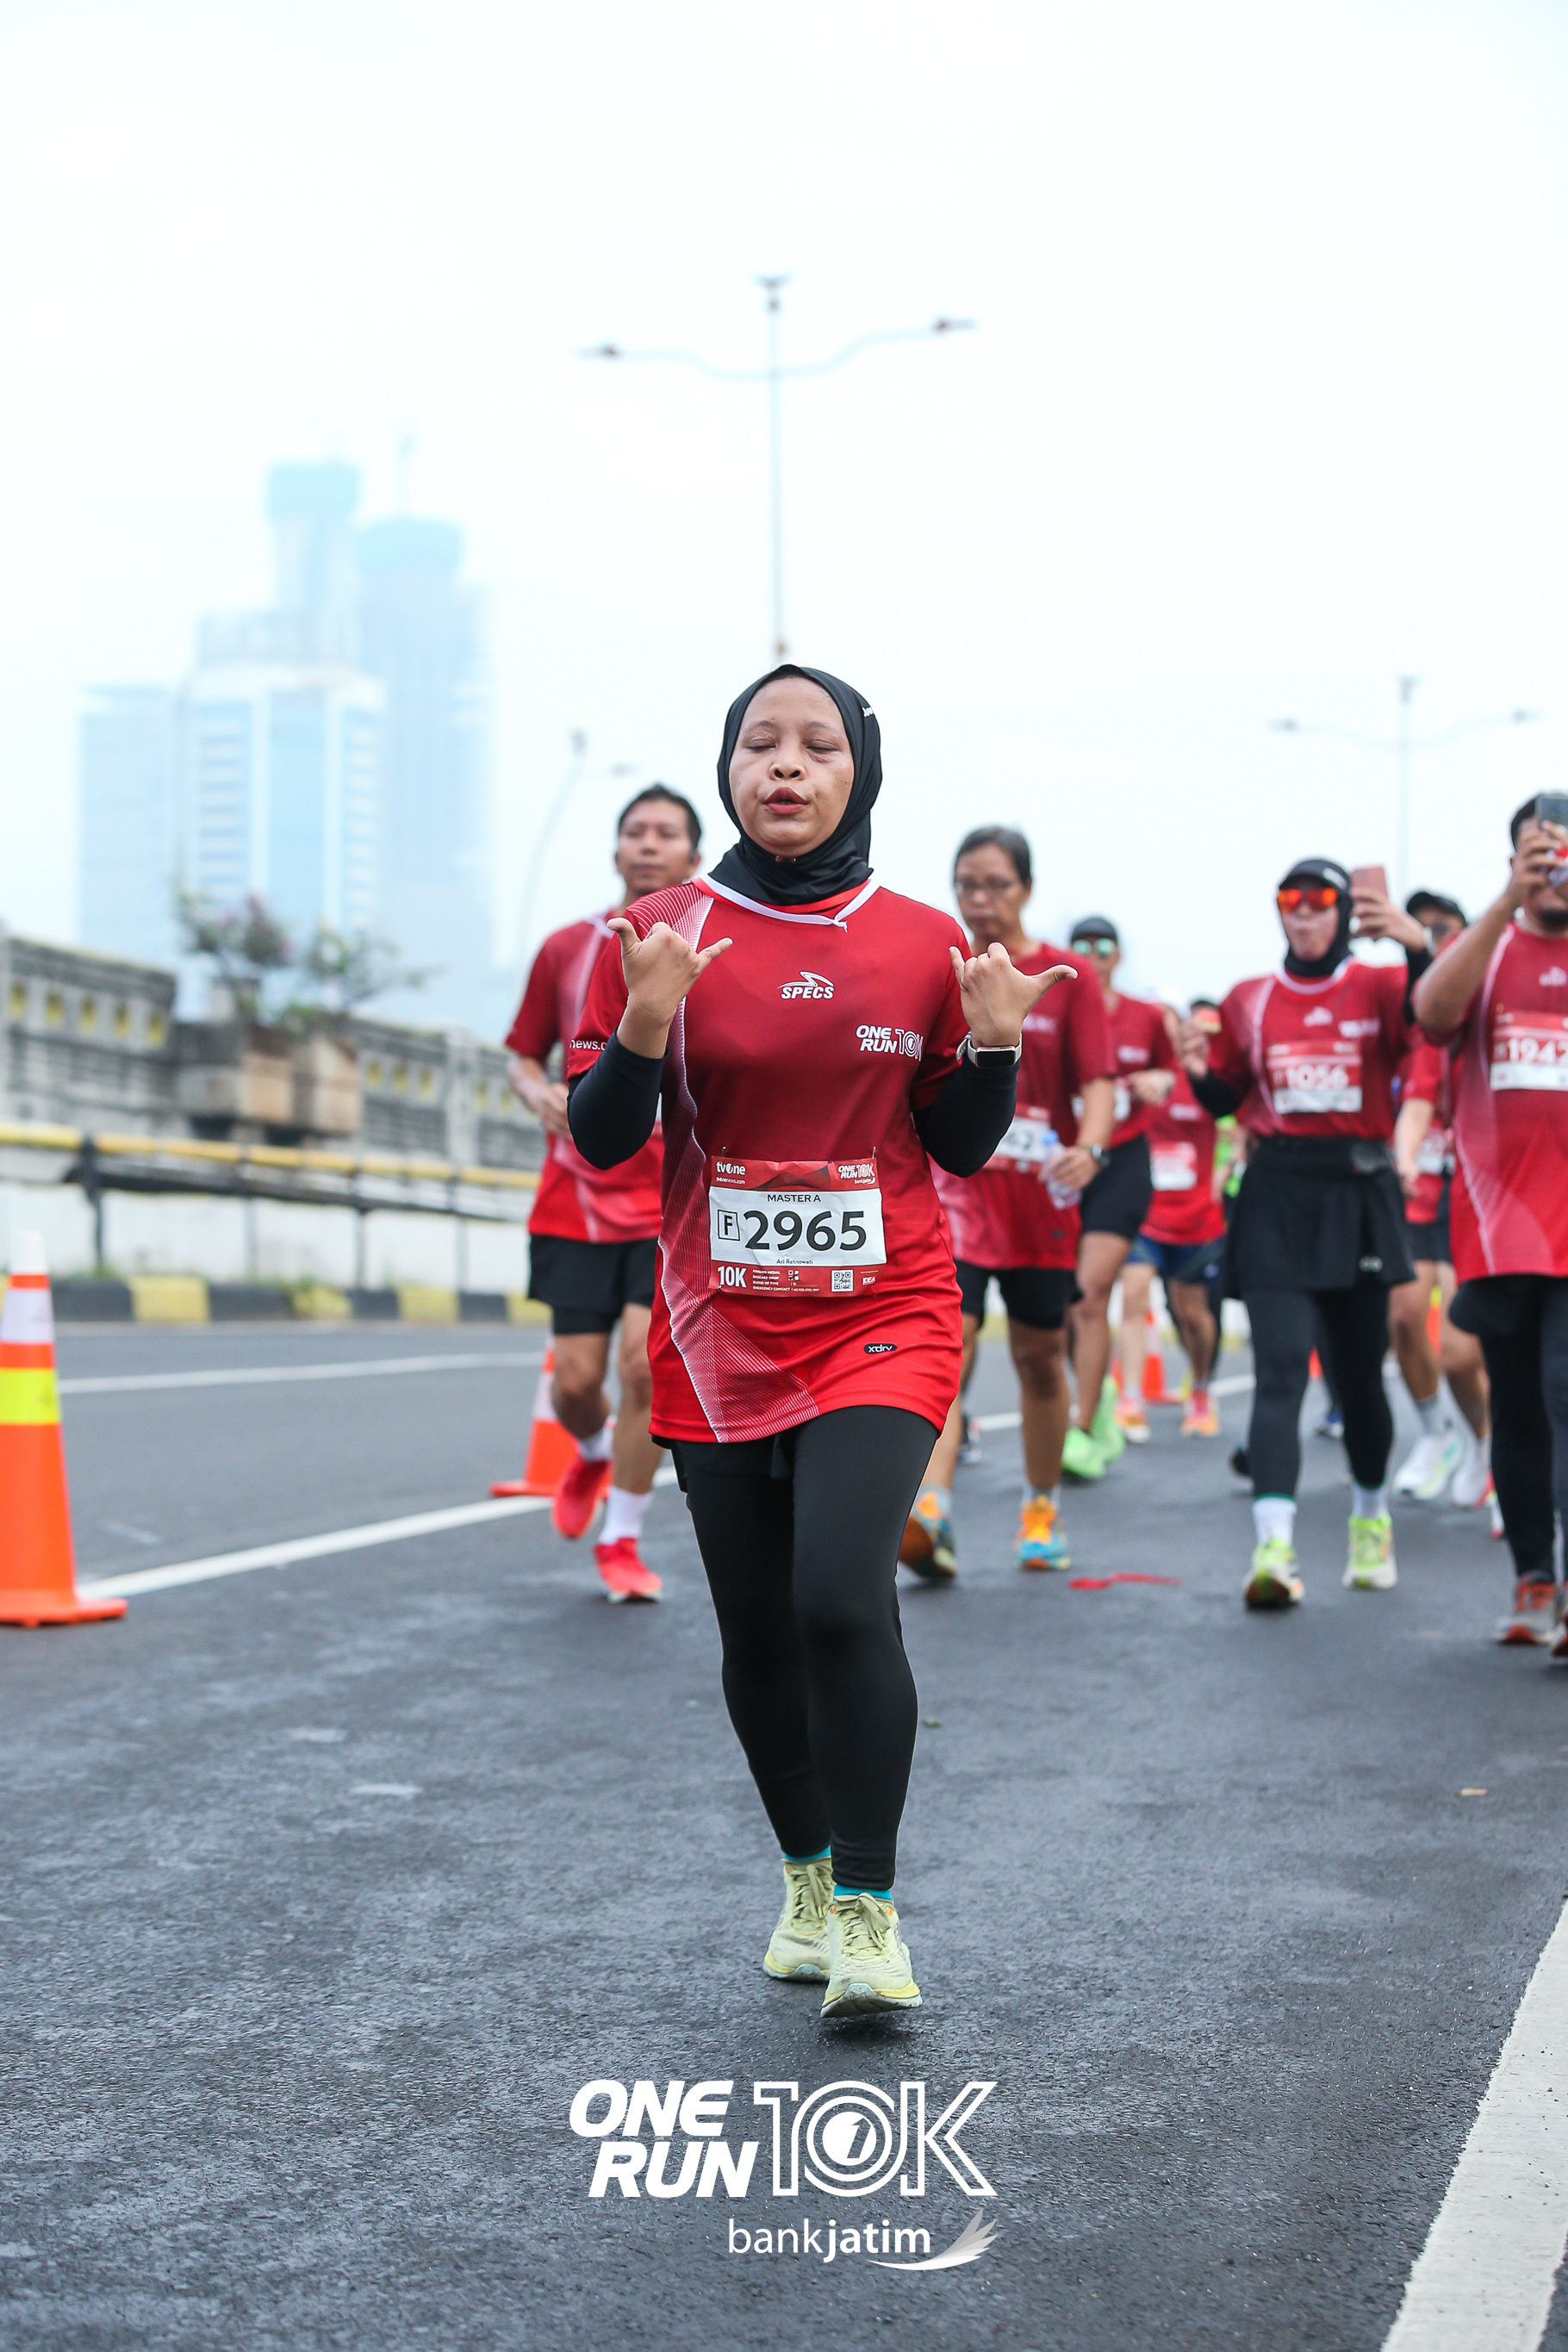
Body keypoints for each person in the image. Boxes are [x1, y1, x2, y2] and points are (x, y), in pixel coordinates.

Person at [565, 664, 1073, 2019]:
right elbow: (603, 1139)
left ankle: (867, 1909)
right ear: (728, 768)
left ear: (863, 772)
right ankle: (801, 1883)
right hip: (715, 1323)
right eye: (759, 743)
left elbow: (956, 1145)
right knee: (757, 1628)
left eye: (818, 745)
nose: (785, 765)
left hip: (885, 1315)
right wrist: (645, 1019)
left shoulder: (921, 942)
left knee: (841, 1596)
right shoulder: (658, 930)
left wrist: (996, 1050)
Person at [1178, 858, 1432, 1608]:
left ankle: (1370, 1517)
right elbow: (1227, 1096)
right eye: (1292, 901)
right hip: (1278, 1192)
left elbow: (1434, 1016)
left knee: (1357, 1378)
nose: (1305, 915)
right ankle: (1275, 1549)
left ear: (1345, 914)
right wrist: (1198, 1072)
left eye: (1321, 903)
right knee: (1281, 1368)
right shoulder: (1250, 998)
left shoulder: (1379, 985)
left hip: (1359, 1189)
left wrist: (1416, 945)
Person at [504, 786, 702, 1600]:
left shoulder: (712, 949)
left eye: (666, 833)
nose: (648, 844)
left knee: (642, 1369)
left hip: (669, 1200)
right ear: (616, 849)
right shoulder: (564, 947)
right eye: (635, 831)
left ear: (693, 855)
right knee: (577, 1384)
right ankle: (588, 1453)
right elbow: (522, 1054)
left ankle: (621, 1538)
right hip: (575, 1196)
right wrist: (540, 1096)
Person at [904, 827, 1115, 1575]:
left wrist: (1091, 1148)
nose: (980, 898)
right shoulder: (941, 969)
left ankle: (1041, 1507)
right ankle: (932, 1508)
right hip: (958, 1192)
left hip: (1039, 1202)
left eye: (995, 883)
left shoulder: (1064, 977)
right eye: (967, 884)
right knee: (947, 1348)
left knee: (1038, 1358)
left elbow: (1097, 1084)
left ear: (1026, 888)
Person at [1412, 800, 1568, 1649]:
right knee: (1519, 1407)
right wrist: (1507, 902)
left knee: (1564, 1389)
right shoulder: (1487, 945)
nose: (1555, 868)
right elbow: (1432, 1015)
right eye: (1539, 853)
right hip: (1501, 1225)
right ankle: (1532, 1577)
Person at [1062, 916, 1178, 1480]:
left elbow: (1172, 1068)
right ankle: (1098, 1393)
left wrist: (1162, 1079)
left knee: (1090, 1294)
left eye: (1104, 946)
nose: (1094, 954)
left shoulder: (1145, 1015)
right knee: (1060, 1302)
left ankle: (1084, 1428)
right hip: (1064, 1163)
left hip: (1122, 1163)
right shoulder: (1053, 1008)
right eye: (1082, 946)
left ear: (1118, 955)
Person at [1389, 913, 1493, 1511]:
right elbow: (1417, 1104)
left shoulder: (1504, 1016)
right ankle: (1437, 1435)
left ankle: (1489, 1444)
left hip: (1480, 1205)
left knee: (1462, 1352)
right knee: (1404, 1319)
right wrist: (1404, 1157)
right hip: (1421, 1198)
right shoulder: (1430, 1034)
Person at [1118, 999, 1227, 1440]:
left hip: (1196, 1218)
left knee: (1192, 1314)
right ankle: (1130, 1399)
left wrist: (1225, 1170)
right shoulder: (1133, 1078)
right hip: (1144, 1213)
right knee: (1133, 1295)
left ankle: (1200, 1388)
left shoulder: (1201, 1078)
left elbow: (1240, 1121)